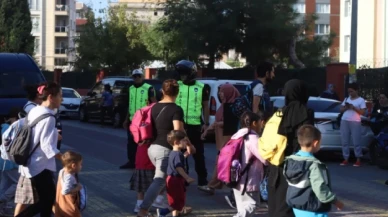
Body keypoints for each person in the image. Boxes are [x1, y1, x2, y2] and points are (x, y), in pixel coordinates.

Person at [136, 79, 196, 217]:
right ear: (178, 92)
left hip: (152, 148)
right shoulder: (176, 109)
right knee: (159, 180)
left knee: (169, 179)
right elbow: (178, 131)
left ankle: (175, 208)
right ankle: (143, 210)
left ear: (162, 91)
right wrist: (189, 145)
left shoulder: (154, 107)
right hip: (165, 150)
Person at [15, 82, 63, 217]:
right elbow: (47, 146)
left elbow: (36, 133)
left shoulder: (35, 110)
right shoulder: (49, 116)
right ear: (51, 97)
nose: (62, 99)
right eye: (60, 95)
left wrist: (54, 133)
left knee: (45, 200)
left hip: (29, 162)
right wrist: (63, 157)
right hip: (40, 165)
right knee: (46, 200)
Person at [268, 79, 314, 217]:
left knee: (275, 204)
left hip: (277, 163)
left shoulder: (279, 112)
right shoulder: (307, 113)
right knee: (291, 204)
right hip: (296, 164)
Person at [284, 125, 344, 217]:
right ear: (315, 143)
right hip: (314, 208)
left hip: (297, 206)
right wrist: (335, 201)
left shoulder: (290, 160)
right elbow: (320, 188)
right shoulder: (314, 165)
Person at [199, 84, 240, 194]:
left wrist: (213, 126)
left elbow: (230, 123)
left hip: (229, 139)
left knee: (222, 162)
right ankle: (217, 185)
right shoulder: (224, 105)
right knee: (224, 163)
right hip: (222, 138)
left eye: (223, 92)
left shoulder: (233, 106)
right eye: (220, 92)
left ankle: (213, 185)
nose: (220, 94)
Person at [175, 60, 210, 188]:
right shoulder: (177, 85)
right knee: (181, 152)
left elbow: (206, 107)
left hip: (195, 126)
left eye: (185, 73)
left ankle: (202, 180)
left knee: (198, 154)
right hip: (180, 125)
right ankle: (184, 178)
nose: (182, 76)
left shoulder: (202, 87)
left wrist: (205, 123)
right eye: (181, 74)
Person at [231, 111, 267, 217]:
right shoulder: (252, 138)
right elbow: (264, 158)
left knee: (242, 209)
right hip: (249, 180)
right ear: (254, 123)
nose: (262, 125)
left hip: (236, 178)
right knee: (253, 204)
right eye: (260, 122)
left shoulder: (236, 135)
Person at [120, 69, 156, 169]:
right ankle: (131, 161)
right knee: (131, 142)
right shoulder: (131, 88)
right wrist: (126, 119)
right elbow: (130, 105)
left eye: (139, 76)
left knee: (143, 143)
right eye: (134, 76)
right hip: (133, 121)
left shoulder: (148, 88)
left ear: (142, 77)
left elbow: (154, 103)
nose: (137, 78)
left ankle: (144, 162)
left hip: (144, 121)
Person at [156, 130, 195, 217]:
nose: (186, 142)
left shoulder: (174, 153)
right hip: (176, 180)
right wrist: (187, 177)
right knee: (178, 202)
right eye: (184, 140)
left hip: (171, 179)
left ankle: (173, 215)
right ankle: (163, 212)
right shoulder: (177, 154)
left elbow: (175, 163)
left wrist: (184, 155)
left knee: (175, 200)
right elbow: (178, 167)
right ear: (176, 142)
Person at [0, 108, 21, 216]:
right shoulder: (8, 128)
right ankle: (2, 200)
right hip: (9, 162)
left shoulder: (4, 127)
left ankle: (2, 207)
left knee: (4, 184)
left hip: (3, 162)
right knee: (19, 183)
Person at [339, 83, 366, 167]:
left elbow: (362, 112)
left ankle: (358, 158)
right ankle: (345, 158)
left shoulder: (361, 100)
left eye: (352, 91)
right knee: (345, 141)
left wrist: (354, 108)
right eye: (349, 91)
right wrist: (346, 107)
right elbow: (341, 109)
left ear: (356, 91)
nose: (350, 93)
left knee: (356, 141)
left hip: (355, 121)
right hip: (345, 120)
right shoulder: (347, 99)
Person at [54, 151, 83, 217]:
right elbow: (64, 191)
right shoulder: (69, 177)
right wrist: (77, 188)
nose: (81, 166)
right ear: (74, 165)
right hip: (69, 205)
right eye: (80, 164)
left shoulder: (62, 171)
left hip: (61, 203)